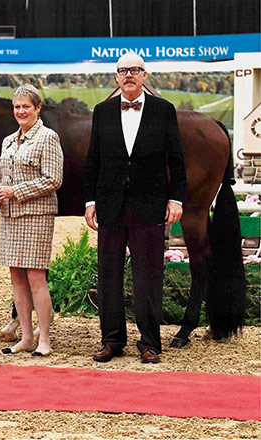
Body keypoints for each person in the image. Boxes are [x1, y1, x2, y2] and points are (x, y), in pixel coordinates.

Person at [84, 52, 187, 363]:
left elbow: (177, 159)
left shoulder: (164, 110)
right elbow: (94, 160)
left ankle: (150, 343)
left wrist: (176, 198)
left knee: (148, 274)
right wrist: (90, 201)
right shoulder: (102, 111)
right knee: (108, 274)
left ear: (145, 75)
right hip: (110, 205)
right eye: (122, 71)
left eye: (134, 70)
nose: (128, 75)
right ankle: (112, 341)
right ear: (116, 77)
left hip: (150, 204)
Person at [0, 84, 63, 357]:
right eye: (17, 107)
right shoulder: (8, 141)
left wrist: (13, 191)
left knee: (36, 277)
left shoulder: (48, 137)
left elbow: (53, 179)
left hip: (37, 215)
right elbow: (3, 178)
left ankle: (45, 340)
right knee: (16, 277)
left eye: (26, 106)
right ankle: (26, 336)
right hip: (11, 216)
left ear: (38, 108)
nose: (20, 111)